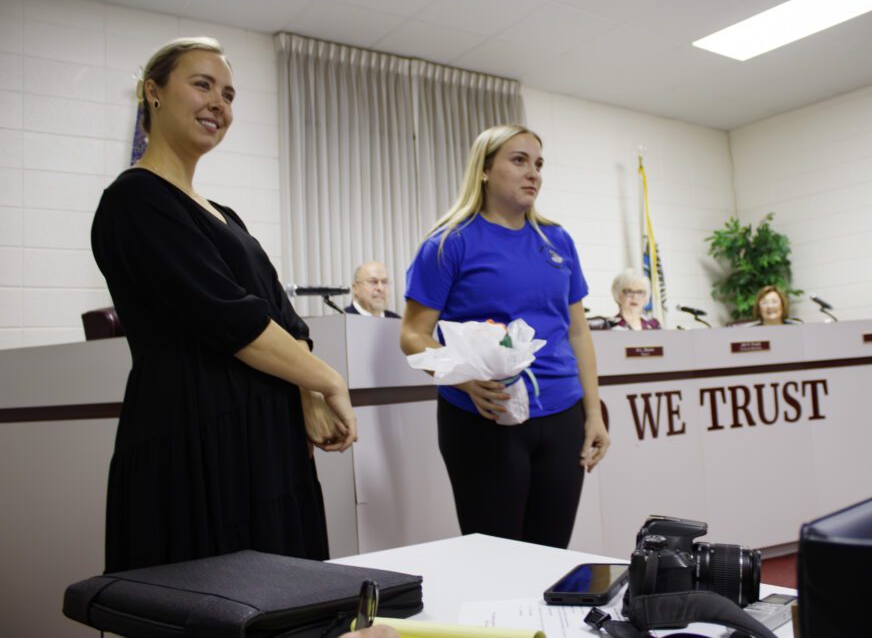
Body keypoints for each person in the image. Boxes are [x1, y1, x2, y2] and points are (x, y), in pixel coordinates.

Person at [92, 37, 357, 573]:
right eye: (202, 85)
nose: (219, 103)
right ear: (154, 93)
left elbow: (283, 315)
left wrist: (306, 390)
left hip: (268, 440)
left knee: (289, 595)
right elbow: (230, 316)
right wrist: (328, 379)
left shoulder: (226, 216)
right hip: (193, 436)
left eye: (229, 94)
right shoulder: (135, 199)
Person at [399, 124, 610, 549]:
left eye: (538, 164)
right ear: (484, 170)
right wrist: (463, 379)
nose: (533, 173)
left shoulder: (557, 240)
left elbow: (578, 332)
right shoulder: (447, 245)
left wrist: (593, 414)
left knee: (550, 555)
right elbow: (412, 335)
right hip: (483, 417)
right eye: (519, 161)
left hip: (562, 415)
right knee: (497, 558)